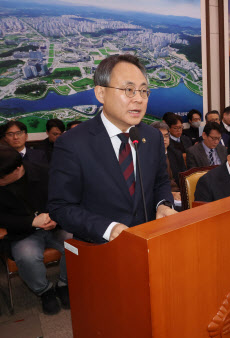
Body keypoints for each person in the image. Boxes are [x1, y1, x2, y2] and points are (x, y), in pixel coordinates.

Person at [48, 54, 175, 244]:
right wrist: (107, 228)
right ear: (101, 93)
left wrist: (163, 205)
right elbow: (61, 207)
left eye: (143, 91)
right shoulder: (72, 144)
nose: (139, 99)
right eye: (129, 90)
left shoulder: (152, 136)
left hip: (150, 243)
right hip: (100, 250)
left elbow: (160, 183)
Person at [0, 145, 71, 315]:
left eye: (0, 177)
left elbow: (65, 199)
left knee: (76, 244)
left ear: (18, 168)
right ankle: (44, 291)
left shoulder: (46, 173)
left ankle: (65, 283)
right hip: (20, 231)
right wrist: (31, 221)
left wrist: (55, 217)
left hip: (55, 226)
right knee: (27, 257)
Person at [150, 121, 186, 202]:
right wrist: (170, 194)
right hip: (159, 197)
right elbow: (150, 186)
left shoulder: (176, 154)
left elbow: (184, 178)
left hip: (179, 194)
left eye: (166, 136)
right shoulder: (147, 157)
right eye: (160, 136)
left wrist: (184, 193)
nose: (164, 139)